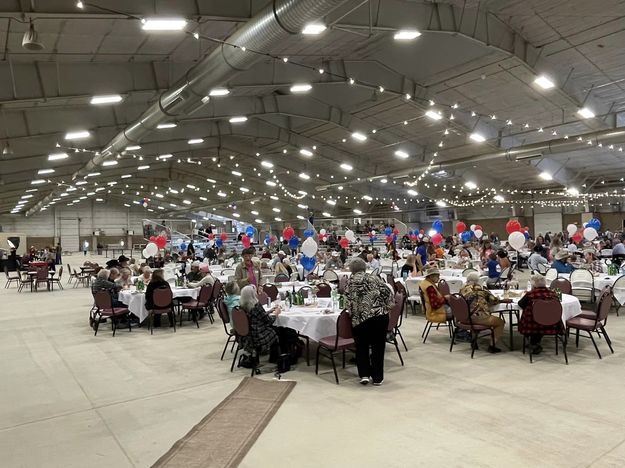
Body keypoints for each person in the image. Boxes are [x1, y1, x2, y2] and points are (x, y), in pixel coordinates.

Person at [344, 258, 392, 386]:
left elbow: (347, 302)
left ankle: (364, 374)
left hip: (360, 318)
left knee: (361, 346)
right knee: (378, 347)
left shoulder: (350, 282)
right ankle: (377, 377)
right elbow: (387, 293)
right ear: (364, 268)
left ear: (351, 270)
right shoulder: (375, 278)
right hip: (379, 316)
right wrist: (385, 307)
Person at [460, 272, 508, 353]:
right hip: (478, 317)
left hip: (464, 317)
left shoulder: (462, 289)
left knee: (473, 312)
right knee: (500, 322)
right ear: (478, 281)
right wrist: (502, 300)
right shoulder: (480, 288)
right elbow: (494, 300)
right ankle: (492, 346)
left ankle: (474, 341)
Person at [518, 274, 563, 354]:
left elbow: (520, 304)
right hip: (552, 324)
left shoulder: (530, 294)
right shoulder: (554, 294)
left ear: (533, 284)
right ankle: (535, 343)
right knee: (542, 318)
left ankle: (534, 343)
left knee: (534, 317)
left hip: (533, 325)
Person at [239, 285, 280, 360]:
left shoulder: (242, 307)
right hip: (258, 336)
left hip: (247, 336)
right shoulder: (256, 306)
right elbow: (269, 321)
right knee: (276, 330)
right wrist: (275, 314)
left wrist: (269, 311)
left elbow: (259, 316)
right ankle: (274, 358)